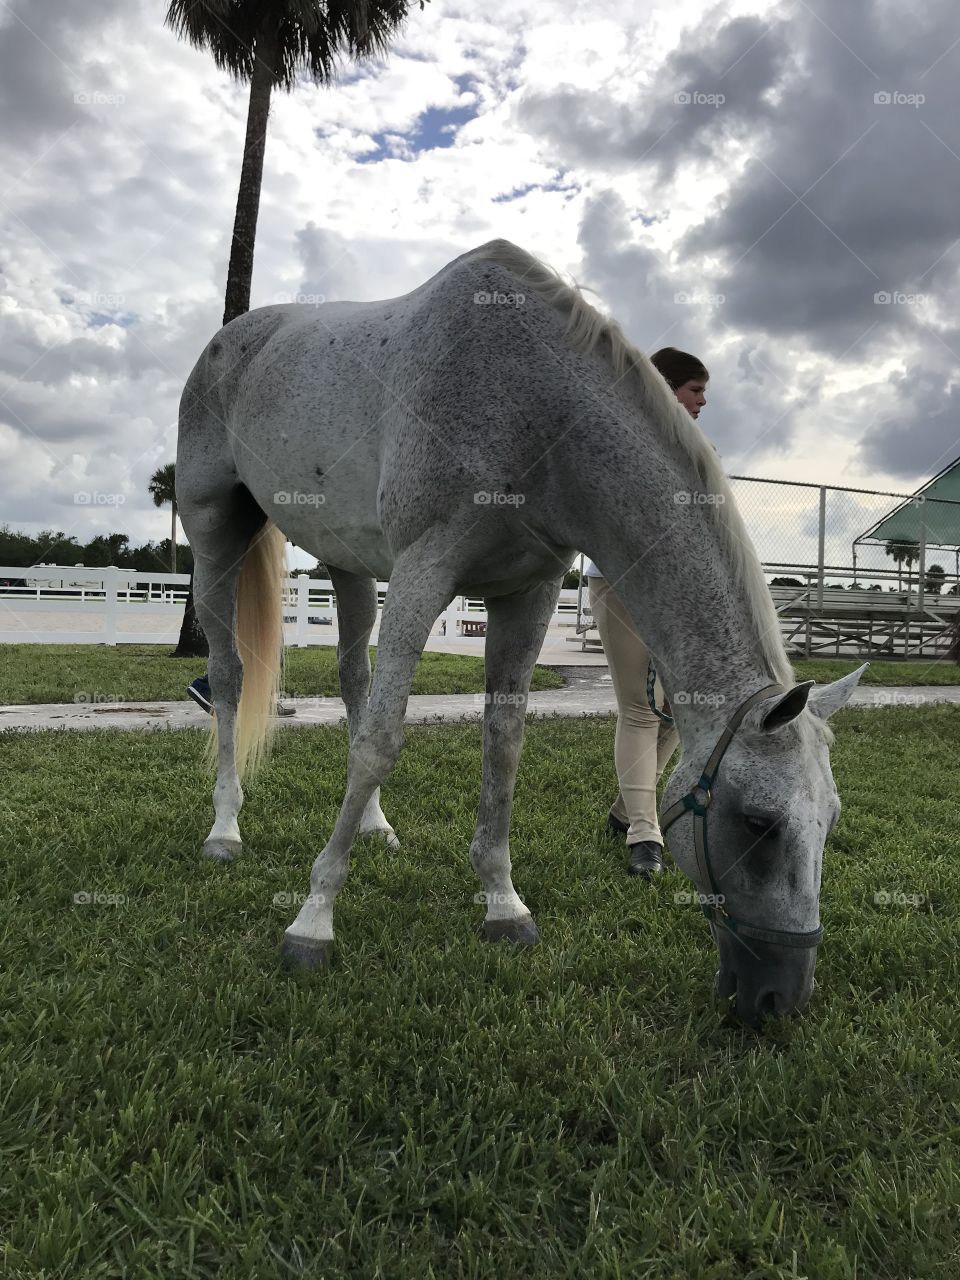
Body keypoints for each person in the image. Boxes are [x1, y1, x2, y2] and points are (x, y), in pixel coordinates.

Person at [584, 347, 710, 878]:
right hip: (623, 582)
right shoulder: (621, 438)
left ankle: (624, 811)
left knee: (678, 708)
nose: (703, 401)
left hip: (677, 590)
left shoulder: (689, 445)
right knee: (639, 707)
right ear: (667, 387)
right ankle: (644, 833)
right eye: (695, 390)